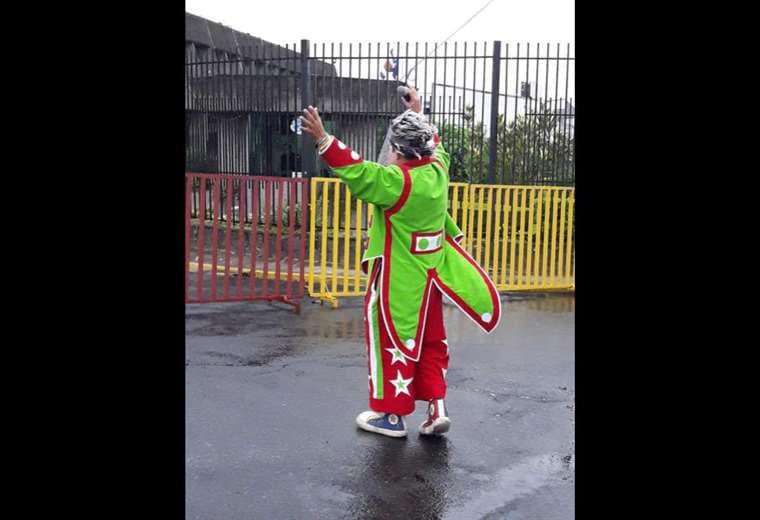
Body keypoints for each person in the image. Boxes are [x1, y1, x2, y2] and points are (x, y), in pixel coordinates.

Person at [300, 89, 501, 438]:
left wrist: (322, 138)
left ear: (399, 150)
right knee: (432, 340)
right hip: (433, 279)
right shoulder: (438, 171)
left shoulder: (397, 182)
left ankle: (391, 416)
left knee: (390, 340)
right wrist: (418, 112)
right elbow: (436, 144)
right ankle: (437, 407)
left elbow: (357, 171)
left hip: (398, 281)